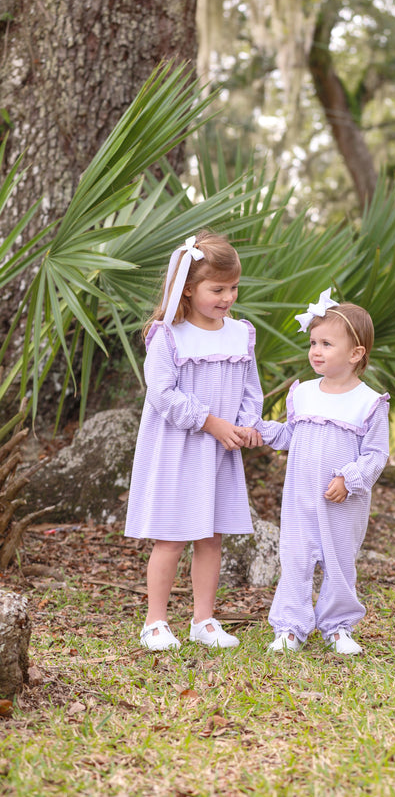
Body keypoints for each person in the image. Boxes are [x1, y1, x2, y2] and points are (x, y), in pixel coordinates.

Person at [125, 230, 263, 651]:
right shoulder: (167, 335)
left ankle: (203, 620)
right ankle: (155, 622)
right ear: (188, 288)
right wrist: (211, 422)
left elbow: (250, 388)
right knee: (172, 536)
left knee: (211, 536)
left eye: (234, 287)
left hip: (219, 452)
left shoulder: (240, 333)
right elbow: (162, 394)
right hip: (178, 448)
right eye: (217, 288)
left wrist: (246, 423)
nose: (228, 297)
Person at [256, 288, 389, 655]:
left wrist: (349, 478)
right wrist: (261, 429)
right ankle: (290, 627)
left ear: (355, 353)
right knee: (296, 559)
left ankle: (338, 626)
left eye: (327, 344)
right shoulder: (303, 393)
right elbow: (290, 435)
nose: (315, 351)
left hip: (342, 502)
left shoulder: (369, 402)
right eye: (313, 342)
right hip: (300, 497)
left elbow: (377, 455)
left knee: (339, 561)